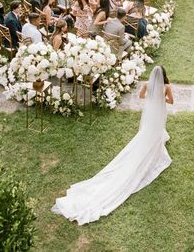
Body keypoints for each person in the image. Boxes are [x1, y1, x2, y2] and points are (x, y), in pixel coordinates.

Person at [52, 65, 172, 225]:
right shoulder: (166, 87)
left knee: (146, 133)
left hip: (150, 115)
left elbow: (142, 96)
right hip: (158, 114)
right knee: (154, 133)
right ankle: (155, 146)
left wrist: (152, 97)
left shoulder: (146, 85)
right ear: (164, 75)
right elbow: (171, 101)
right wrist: (161, 98)